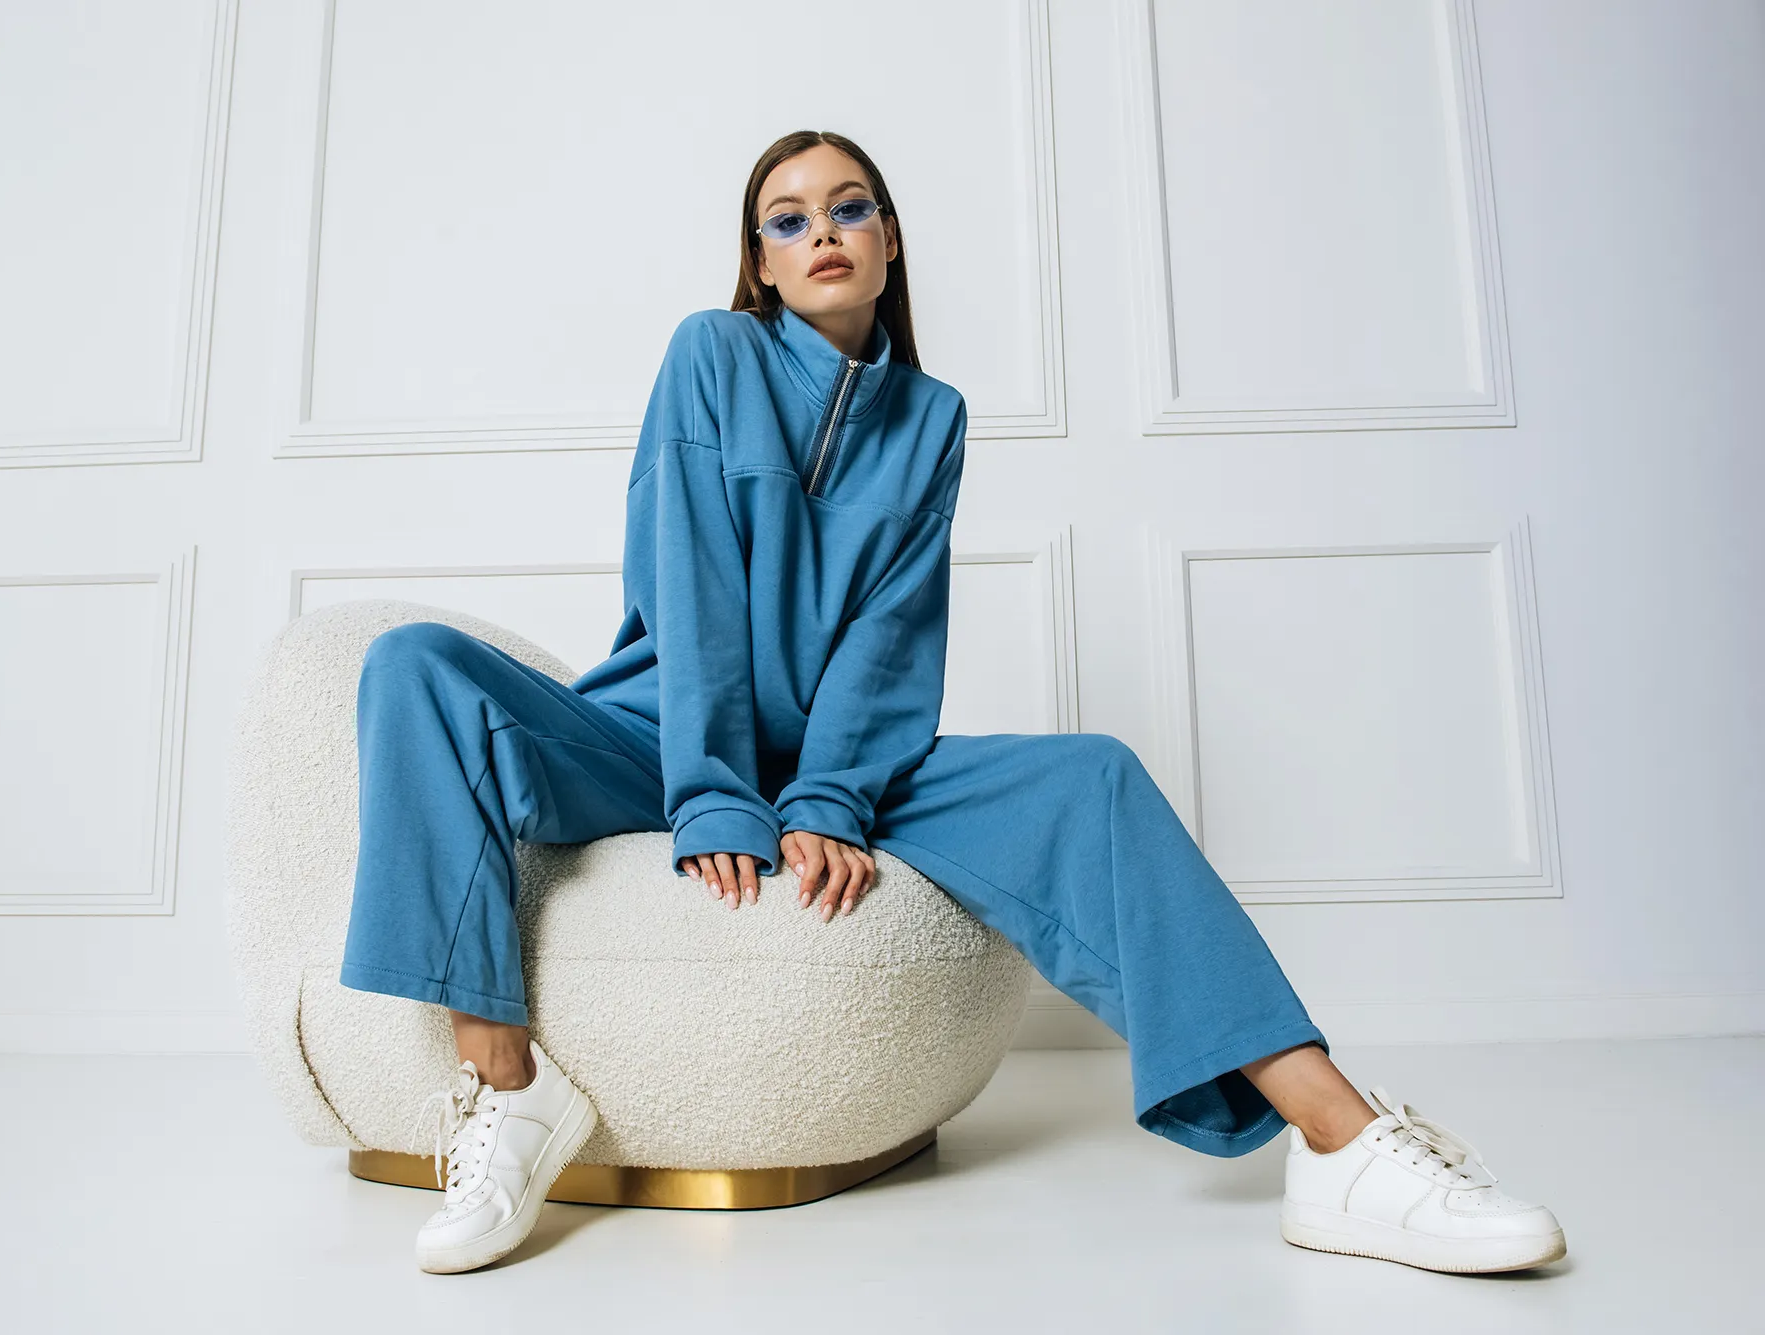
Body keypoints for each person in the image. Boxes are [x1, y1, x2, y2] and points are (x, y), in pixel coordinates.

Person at [338, 129, 1568, 1277]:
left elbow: (890, 643)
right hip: (657, 738)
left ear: (887, 240)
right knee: (414, 666)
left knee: (1089, 775)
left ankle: (1340, 1147)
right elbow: (693, 588)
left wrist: (825, 795)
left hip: (838, 761)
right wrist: (718, 798)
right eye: (785, 219)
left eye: (848, 208)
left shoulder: (931, 420)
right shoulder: (708, 355)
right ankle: (507, 1087)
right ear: (758, 264)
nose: (820, 231)